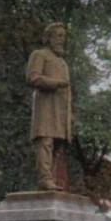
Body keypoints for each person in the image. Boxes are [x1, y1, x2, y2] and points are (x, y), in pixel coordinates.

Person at [26, 22, 71, 190]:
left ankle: (51, 178)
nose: (62, 40)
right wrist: (57, 83)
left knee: (57, 145)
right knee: (45, 141)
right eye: (58, 36)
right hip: (45, 107)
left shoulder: (63, 62)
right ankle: (44, 178)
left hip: (61, 110)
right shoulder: (39, 55)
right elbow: (33, 78)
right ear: (48, 38)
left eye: (63, 37)